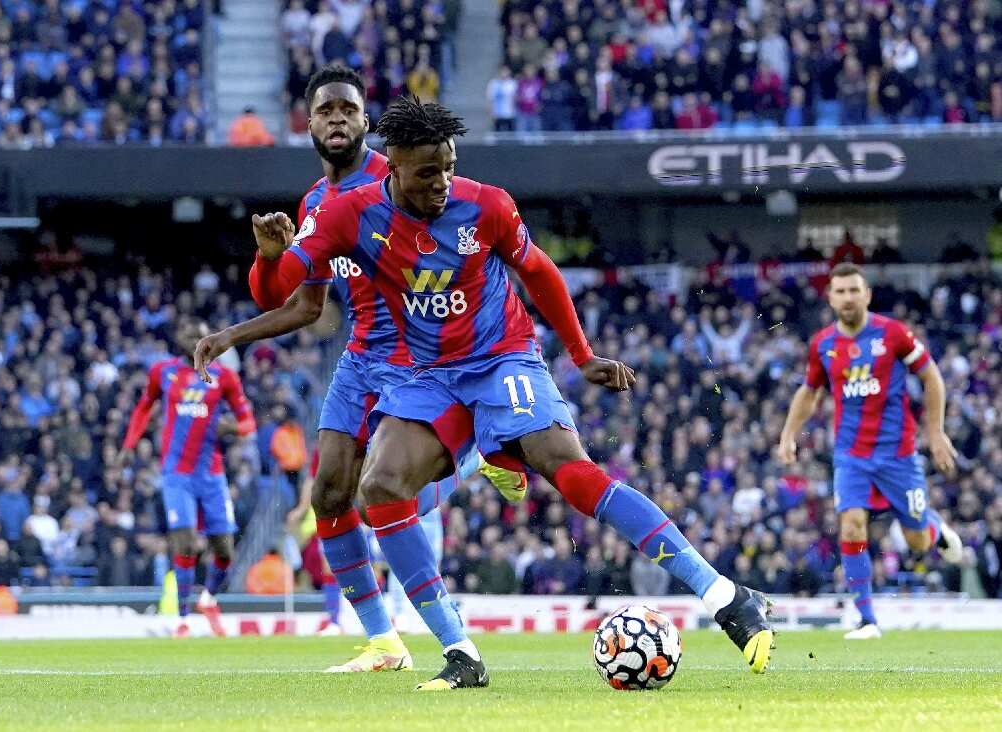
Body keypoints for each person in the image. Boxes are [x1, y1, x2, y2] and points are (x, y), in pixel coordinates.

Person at [230, 96, 774, 690]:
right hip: (424, 375)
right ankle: (460, 651)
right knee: (378, 487)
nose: (442, 181)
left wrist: (583, 354)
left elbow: (537, 270)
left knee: (569, 470)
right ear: (393, 168)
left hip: (500, 358)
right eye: (426, 172)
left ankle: (726, 595)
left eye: (448, 165)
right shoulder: (349, 214)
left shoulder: (484, 203)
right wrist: (267, 255)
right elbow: (278, 290)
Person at [194, 67, 525, 671]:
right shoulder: (316, 204)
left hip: (415, 359)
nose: (338, 118)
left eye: (348, 108)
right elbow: (305, 305)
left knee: (384, 496)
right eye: (326, 111)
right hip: (359, 359)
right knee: (328, 495)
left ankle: (477, 455)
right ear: (310, 124)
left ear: (366, 121)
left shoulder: (399, 178)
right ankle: (382, 642)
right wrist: (230, 334)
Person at [777, 263, 963, 639]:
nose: (847, 297)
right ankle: (866, 619)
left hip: (898, 454)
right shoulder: (823, 344)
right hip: (851, 456)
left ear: (867, 294)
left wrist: (937, 432)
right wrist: (788, 435)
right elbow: (809, 391)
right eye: (840, 291)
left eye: (853, 290)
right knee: (851, 524)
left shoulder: (892, 333)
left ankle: (931, 525)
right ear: (830, 297)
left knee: (916, 542)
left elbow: (931, 376)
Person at [120, 319, 255, 637]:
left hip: (211, 474)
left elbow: (248, 422)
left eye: (200, 334)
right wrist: (129, 444)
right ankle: (182, 618)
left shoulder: (225, 377)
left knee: (223, 550)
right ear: (177, 338)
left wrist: (232, 428)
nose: (194, 338)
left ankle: (208, 599)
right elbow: (143, 408)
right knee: (184, 540)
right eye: (188, 333)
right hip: (176, 473)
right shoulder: (163, 373)